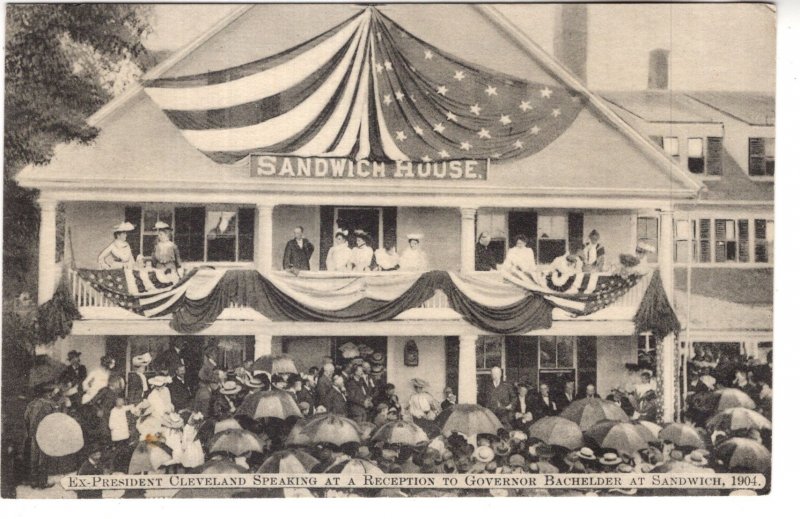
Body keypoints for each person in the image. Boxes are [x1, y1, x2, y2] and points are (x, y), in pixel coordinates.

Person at [23, 383, 62, 489]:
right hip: (46, 433)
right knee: (43, 458)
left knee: (34, 457)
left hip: (33, 433)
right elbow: (56, 419)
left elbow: (26, 417)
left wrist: (30, 430)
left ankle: (33, 482)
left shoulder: (32, 404)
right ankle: (42, 482)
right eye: (51, 392)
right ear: (48, 394)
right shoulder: (52, 404)